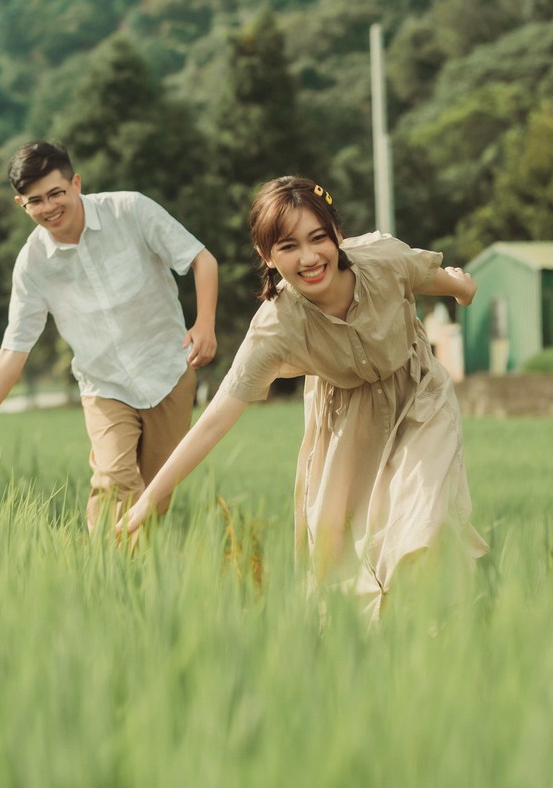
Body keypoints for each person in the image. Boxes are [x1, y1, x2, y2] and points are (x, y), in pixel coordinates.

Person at [121, 176, 488, 618]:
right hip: (345, 421)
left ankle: (437, 635)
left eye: (319, 238)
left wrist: (463, 289)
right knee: (340, 558)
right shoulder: (276, 327)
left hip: (419, 396)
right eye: (288, 246)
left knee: (422, 521)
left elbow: (431, 279)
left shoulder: (383, 259)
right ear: (267, 256)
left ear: (337, 234)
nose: (310, 257)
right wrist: (145, 502)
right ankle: (373, 653)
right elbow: (215, 420)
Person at [0, 141, 218, 531]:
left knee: (154, 496)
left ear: (76, 182)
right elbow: (14, 349)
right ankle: (100, 571)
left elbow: (201, 259)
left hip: (168, 372)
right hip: (103, 386)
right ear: (21, 204)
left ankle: (131, 581)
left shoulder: (131, 210)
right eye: (36, 201)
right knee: (113, 481)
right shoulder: (32, 265)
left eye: (56, 193)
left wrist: (204, 324)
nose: (49, 207)